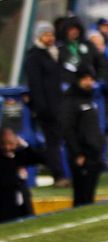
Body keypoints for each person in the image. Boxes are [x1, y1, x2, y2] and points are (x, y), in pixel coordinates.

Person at [24, 21, 69, 188]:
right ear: (39, 36)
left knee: (57, 141)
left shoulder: (54, 53)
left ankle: (62, 172)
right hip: (47, 109)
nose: (50, 37)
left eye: (51, 34)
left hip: (58, 106)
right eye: (47, 34)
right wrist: (42, 108)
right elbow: (36, 85)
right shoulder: (34, 56)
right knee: (52, 143)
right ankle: (58, 175)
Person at [60, 65, 105, 208]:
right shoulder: (70, 101)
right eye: (85, 79)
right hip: (82, 155)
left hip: (94, 153)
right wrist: (77, 153)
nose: (88, 82)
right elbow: (68, 129)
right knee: (81, 196)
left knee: (89, 196)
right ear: (78, 80)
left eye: (91, 79)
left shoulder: (90, 99)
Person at [0, 127, 45, 222]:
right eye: (4, 144)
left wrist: (25, 145)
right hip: (6, 202)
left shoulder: (20, 155)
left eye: (10, 143)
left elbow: (41, 159)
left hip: (23, 199)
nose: (7, 147)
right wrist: (17, 176)